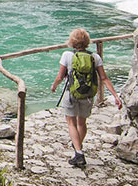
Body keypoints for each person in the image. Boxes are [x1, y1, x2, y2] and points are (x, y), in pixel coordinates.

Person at [50, 28, 121, 167]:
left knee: (71, 123)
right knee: (82, 123)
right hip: (88, 95)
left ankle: (78, 152)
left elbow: (60, 76)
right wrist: (115, 96)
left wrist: (54, 86)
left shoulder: (67, 55)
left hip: (71, 93)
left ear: (72, 41)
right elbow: (104, 78)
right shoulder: (95, 57)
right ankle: (78, 148)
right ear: (87, 42)